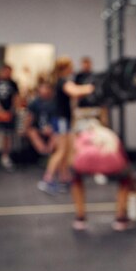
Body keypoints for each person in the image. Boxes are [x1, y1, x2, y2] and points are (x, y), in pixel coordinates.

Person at [38, 56, 94, 195]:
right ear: (65, 68)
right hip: (61, 120)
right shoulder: (63, 81)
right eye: (70, 65)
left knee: (68, 150)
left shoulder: (65, 81)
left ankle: (64, 178)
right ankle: (47, 180)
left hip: (65, 120)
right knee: (61, 151)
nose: (73, 68)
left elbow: (75, 92)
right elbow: (74, 91)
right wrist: (91, 87)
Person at [69, 119, 132, 231]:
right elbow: (122, 155)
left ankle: (80, 217)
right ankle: (120, 218)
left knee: (76, 178)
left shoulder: (83, 135)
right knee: (125, 179)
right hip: (111, 162)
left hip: (85, 162)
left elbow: (75, 153)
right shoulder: (109, 133)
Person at [0, 64, 20, 171]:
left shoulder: (13, 83)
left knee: (7, 135)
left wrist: (11, 110)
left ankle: (5, 157)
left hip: (9, 113)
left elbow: (16, 97)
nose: (8, 74)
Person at [24, 80, 56, 156]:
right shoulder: (34, 103)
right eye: (43, 88)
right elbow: (29, 117)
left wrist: (51, 127)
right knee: (32, 132)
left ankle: (49, 152)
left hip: (51, 128)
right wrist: (25, 128)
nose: (45, 91)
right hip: (37, 128)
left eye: (47, 88)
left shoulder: (54, 103)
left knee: (56, 133)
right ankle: (43, 152)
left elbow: (57, 118)